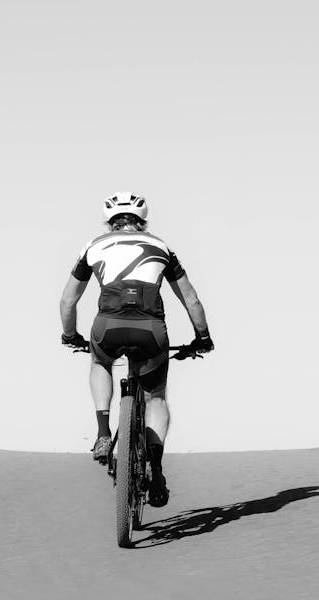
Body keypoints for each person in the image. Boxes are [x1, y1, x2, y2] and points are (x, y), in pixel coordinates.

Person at [58, 192, 213, 508]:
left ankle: (103, 433)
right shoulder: (162, 247)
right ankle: (155, 468)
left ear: (110, 222)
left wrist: (70, 335)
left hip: (108, 326)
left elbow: (67, 301)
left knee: (100, 363)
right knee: (155, 396)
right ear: (142, 221)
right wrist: (203, 338)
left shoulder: (93, 246)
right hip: (151, 330)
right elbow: (192, 301)